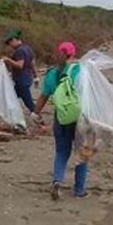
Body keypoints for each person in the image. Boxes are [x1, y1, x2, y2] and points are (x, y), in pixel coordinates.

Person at [31, 41, 88, 200]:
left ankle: (57, 180)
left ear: (60, 54)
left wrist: (35, 113)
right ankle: (79, 190)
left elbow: (44, 96)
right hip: (81, 117)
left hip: (62, 116)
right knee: (82, 153)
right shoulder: (82, 70)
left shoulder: (53, 73)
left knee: (62, 152)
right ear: (73, 54)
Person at [0, 29, 37, 113]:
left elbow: (20, 65)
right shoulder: (27, 48)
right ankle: (14, 119)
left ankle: (41, 123)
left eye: (9, 42)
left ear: (14, 39)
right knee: (10, 97)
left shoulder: (19, 51)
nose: (10, 45)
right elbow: (32, 63)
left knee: (29, 104)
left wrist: (8, 60)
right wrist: (36, 77)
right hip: (27, 79)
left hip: (21, 81)